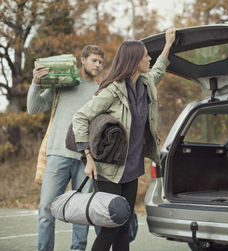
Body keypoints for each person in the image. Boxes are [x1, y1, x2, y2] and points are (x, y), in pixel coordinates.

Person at [72, 27, 176, 251]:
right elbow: (80, 117)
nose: (149, 58)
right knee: (111, 226)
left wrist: (168, 45)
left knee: (124, 224)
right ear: (134, 60)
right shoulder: (112, 90)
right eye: (146, 55)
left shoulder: (146, 83)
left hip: (131, 169)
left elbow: (158, 71)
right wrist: (87, 157)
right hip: (107, 170)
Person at [27, 45, 105, 251]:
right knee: (46, 211)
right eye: (94, 60)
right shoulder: (62, 83)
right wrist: (35, 83)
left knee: (80, 215)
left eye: (100, 62)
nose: (98, 65)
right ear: (83, 59)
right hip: (57, 155)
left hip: (85, 159)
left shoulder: (99, 91)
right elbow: (33, 109)